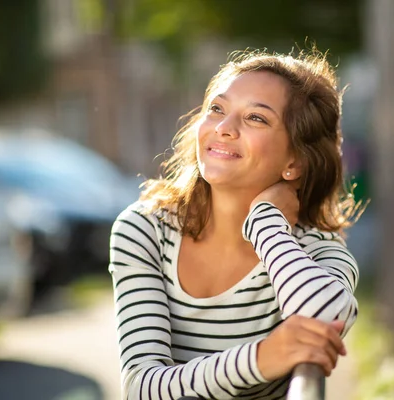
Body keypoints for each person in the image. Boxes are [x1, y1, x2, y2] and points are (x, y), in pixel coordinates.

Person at [109, 48, 362, 400]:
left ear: (295, 162)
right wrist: (261, 359)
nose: (224, 129)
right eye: (216, 109)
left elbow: (326, 318)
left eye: (256, 118)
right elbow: (140, 387)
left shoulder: (310, 249)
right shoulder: (145, 230)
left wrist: (266, 222)